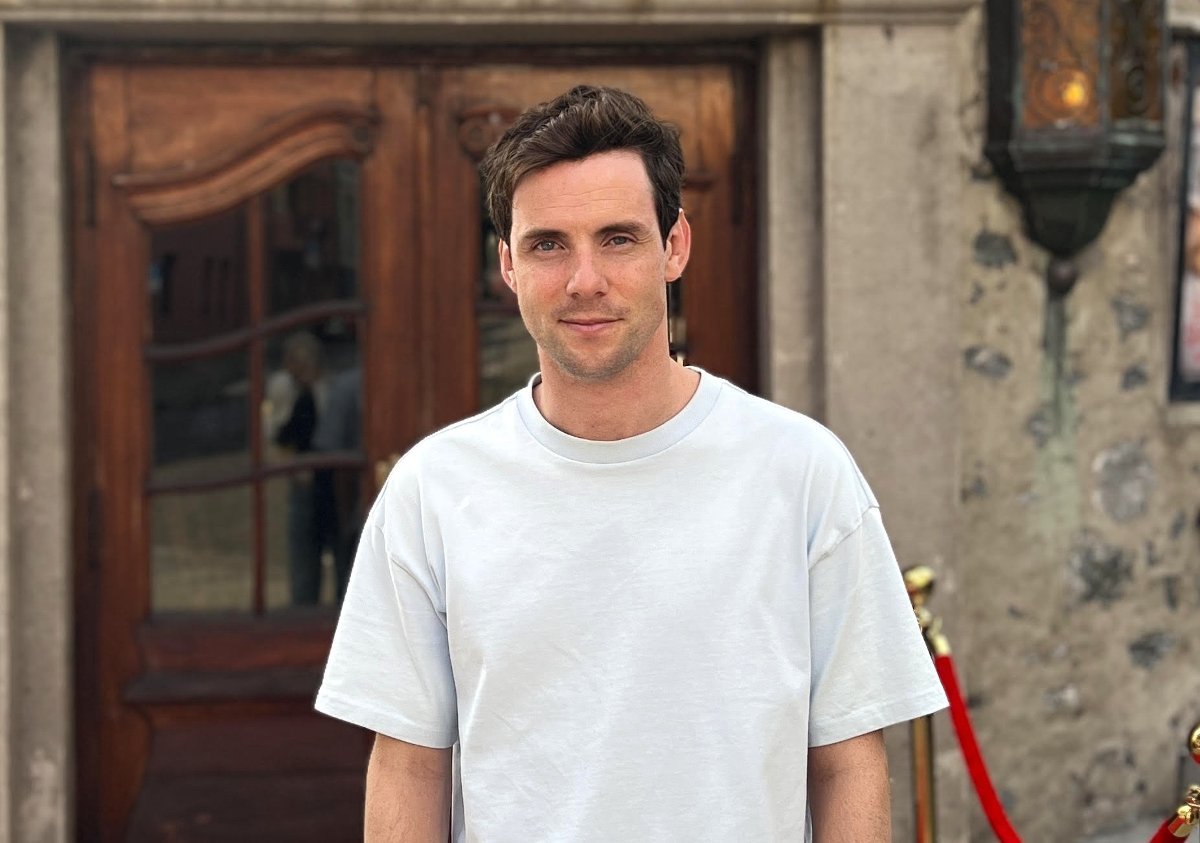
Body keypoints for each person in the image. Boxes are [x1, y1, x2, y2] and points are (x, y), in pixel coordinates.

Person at [316, 85, 946, 841]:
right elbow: (408, 765)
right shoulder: (434, 490)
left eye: (618, 239)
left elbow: (846, 759)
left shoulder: (802, 472)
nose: (585, 279)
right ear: (507, 264)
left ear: (674, 246)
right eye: (548, 244)